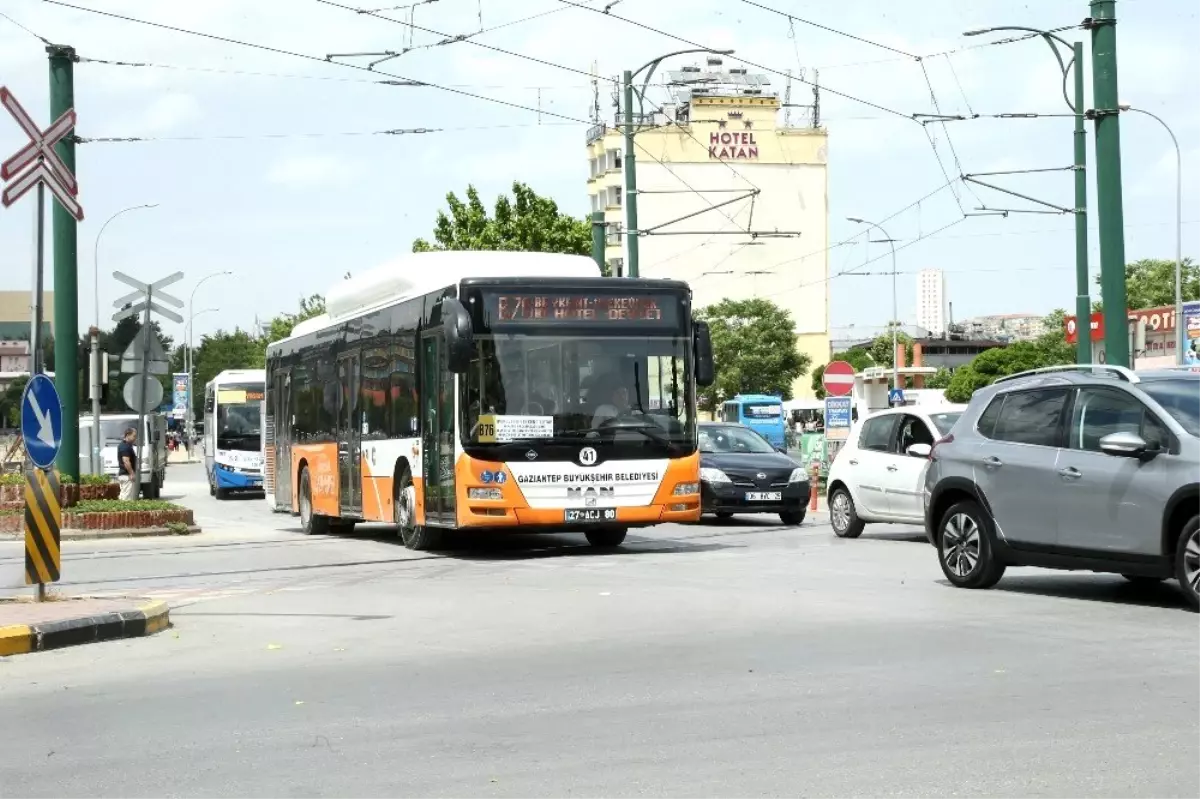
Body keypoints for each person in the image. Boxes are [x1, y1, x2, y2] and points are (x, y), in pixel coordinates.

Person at [117, 427, 139, 501]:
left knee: (123, 497)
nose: (135, 438)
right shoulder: (125, 446)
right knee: (127, 499)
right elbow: (126, 461)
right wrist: (132, 473)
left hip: (125, 475)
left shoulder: (125, 445)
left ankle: (120, 511)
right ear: (128, 435)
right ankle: (125, 512)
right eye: (134, 436)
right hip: (127, 476)